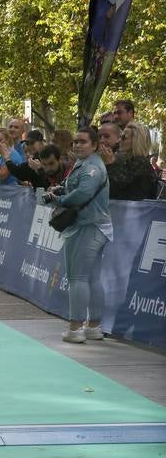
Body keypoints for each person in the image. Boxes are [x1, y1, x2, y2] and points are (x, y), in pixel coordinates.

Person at [46, 127, 111, 344]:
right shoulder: (83, 163)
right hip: (92, 226)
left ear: (94, 145)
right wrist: (60, 191)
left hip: (88, 226)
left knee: (78, 278)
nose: (77, 145)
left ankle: (75, 328)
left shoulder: (93, 166)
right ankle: (93, 326)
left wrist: (59, 200)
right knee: (91, 278)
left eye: (83, 142)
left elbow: (83, 193)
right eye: (75, 141)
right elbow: (73, 187)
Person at [102, 122, 158, 200]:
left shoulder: (140, 162)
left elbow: (115, 186)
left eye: (123, 137)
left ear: (136, 140)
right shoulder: (131, 161)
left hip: (136, 211)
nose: (118, 141)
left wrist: (109, 164)